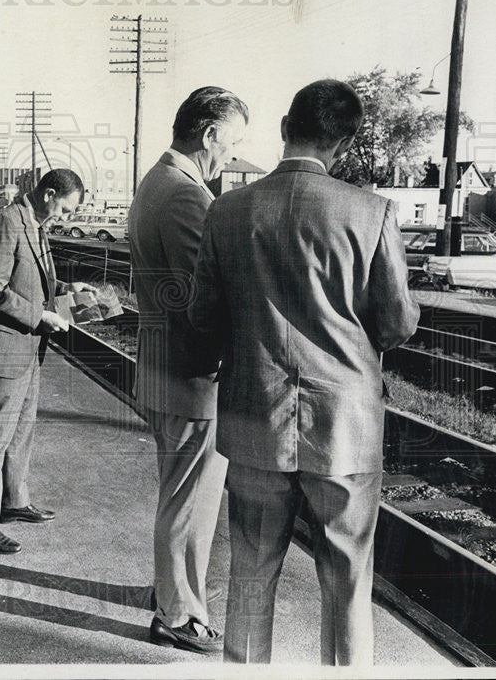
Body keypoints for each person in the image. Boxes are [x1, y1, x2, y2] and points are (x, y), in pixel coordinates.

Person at [189, 80, 420, 665]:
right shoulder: (371, 212)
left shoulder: (227, 211)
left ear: (285, 127)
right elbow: (396, 324)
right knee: (346, 582)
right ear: (343, 143)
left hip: (253, 421)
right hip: (344, 428)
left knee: (250, 574)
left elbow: (202, 317)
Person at [128, 86, 249, 653]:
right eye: (232, 143)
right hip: (190, 375)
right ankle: (177, 612)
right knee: (190, 500)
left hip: (163, 365)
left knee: (181, 494)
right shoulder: (185, 196)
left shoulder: (156, 182)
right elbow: (205, 298)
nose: (232, 156)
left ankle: (170, 592)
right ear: (208, 136)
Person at [0, 169, 93, 554]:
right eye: (65, 210)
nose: (65, 219)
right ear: (48, 193)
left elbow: (30, 280)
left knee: (21, 432)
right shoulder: (7, 222)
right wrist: (40, 317)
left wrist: (67, 289)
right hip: (4, 350)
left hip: (28, 349)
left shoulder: (35, 223)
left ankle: (14, 502)